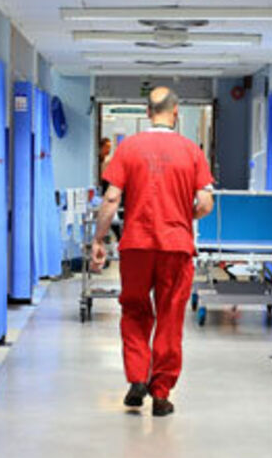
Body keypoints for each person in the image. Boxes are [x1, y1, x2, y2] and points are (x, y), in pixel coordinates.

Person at [91, 87, 214, 417]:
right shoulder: (191, 150)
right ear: (175, 113)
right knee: (170, 316)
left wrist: (99, 240)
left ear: (148, 112)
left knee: (134, 310)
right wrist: (182, 216)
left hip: (136, 244)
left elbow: (111, 199)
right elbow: (205, 203)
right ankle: (161, 394)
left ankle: (136, 378)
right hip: (176, 246)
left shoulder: (128, 148)